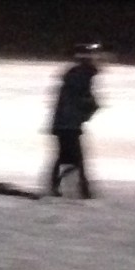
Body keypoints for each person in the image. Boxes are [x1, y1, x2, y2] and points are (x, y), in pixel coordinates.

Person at [45, 41, 105, 198]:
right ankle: (79, 190)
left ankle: (63, 188)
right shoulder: (80, 76)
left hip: (66, 123)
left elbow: (81, 101)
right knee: (73, 157)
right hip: (68, 124)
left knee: (67, 157)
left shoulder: (78, 75)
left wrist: (89, 108)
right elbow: (80, 100)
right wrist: (90, 107)